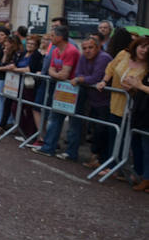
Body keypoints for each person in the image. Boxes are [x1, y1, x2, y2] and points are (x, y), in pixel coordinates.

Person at [96, 36, 149, 185]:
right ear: (136, 46)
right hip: (115, 101)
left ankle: (138, 173)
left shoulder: (147, 65)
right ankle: (114, 166)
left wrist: (134, 87)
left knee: (132, 140)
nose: (144, 50)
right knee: (114, 133)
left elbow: (141, 85)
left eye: (147, 48)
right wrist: (104, 81)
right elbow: (111, 67)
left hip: (134, 107)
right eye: (142, 46)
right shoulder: (123, 54)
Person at [57, 36, 111, 164]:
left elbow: (96, 78)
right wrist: (82, 78)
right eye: (85, 48)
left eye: (91, 47)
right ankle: (95, 157)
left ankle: (100, 159)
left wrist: (81, 80)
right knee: (94, 129)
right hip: (92, 99)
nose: (87, 51)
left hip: (105, 101)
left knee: (102, 130)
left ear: (98, 47)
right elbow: (77, 73)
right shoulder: (83, 57)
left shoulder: (104, 58)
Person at [32, 25, 81, 156]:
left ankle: (71, 153)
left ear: (60, 37)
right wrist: (57, 74)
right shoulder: (54, 50)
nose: (50, 38)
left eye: (52, 36)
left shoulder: (71, 50)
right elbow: (50, 69)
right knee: (54, 118)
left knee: (73, 122)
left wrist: (56, 74)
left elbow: (65, 74)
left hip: (72, 89)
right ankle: (49, 147)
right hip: (60, 88)